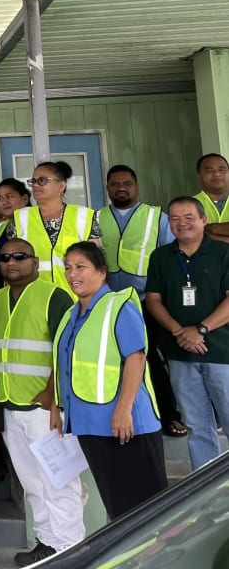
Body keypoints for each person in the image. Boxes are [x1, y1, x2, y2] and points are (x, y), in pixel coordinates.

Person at [52, 242, 166, 520]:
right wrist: (57, 407)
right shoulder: (71, 314)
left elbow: (136, 359)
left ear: (102, 273)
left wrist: (123, 410)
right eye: (68, 268)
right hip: (89, 424)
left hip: (125, 425)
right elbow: (66, 366)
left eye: (81, 267)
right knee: (118, 506)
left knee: (148, 512)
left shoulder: (118, 305)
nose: (72, 274)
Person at [0, 238, 83, 566]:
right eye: (4, 257)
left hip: (45, 408)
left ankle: (71, 549)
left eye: (19, 256)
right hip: (10, 405)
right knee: (31, 483)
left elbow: (66, 349)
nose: (11, 262)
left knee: (60, 481)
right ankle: (47, 542)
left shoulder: (53, 295)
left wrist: (54, 396)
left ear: (36, 261)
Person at [99, 165, 184, 437]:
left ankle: (168, 415)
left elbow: (172, 258)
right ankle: (119, 415)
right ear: (108, 187)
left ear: (136, 186)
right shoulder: (96, 217)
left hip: (146, 302)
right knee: (112, 361)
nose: (121, 188)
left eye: (127, 183)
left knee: (152, 361)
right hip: (108, 304)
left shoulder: (156, 217)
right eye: (114, 183)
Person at [146, 196, 229, 469]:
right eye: (175, 218)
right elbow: (154, 300)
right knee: (196, 426)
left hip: (221, 352)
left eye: (189, 217)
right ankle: (207, 495)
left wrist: (201, 330)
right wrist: (180, 332)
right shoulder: (161, 257)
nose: (182, 223)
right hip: (180, 353)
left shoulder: (223, 252)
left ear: (204, 220)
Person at [6, 161, 101, 295]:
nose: (36, 185)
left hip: (74, 298)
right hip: (34, 296)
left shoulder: (84, 216)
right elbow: (10, 262)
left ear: (61, 185)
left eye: (42, 180)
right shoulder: (20, 218)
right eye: (33, 181)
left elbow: (96, 264)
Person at [0, 179, 31, 293]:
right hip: (1, 293)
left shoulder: (35, 223)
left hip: (28, 292)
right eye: (0, 199)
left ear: (25, 199)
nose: (4, 202)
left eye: (9, 197)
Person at [194, 153, 229, 242]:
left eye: (222, 170)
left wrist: (212, 228)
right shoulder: (189, 204)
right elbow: (189, 235)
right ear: (199, 176)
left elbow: (198, 234)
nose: (217, 174)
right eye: (209, 170)